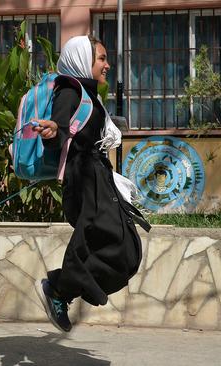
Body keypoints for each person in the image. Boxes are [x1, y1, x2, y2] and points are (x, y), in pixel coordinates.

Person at [32, 35, 149, 332]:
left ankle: (60, 287)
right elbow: (59, 128)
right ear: (83, 60)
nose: (107, 65)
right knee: (108, 240)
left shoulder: (87, 93)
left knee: (126, 245)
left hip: (98, 177)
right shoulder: (70, 91)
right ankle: (59, 288)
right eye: (101, 58)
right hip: (84, 179)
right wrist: (52, 132)